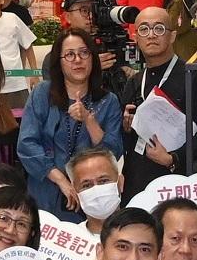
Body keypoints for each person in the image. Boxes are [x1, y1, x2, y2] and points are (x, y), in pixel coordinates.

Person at [19, 28, 125, 219]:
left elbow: (112, 152)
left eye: (84, 53)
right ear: (58, 63)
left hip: (90, 196)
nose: (78, 60)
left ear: (93, 59)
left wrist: (89, 120)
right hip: (46, 190)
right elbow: (27, 145)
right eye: (69, 54)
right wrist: (61, 181)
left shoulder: (108, 101)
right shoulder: (42, 93)